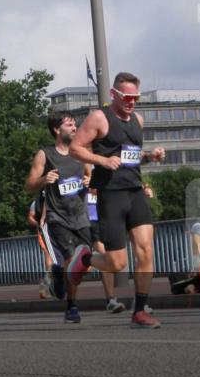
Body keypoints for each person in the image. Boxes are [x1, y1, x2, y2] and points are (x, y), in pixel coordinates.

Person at [68, 72, 166, 329]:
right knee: (117, 263)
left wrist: (150, 157)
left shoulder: (138, 120)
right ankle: (85, 260)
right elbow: (75, 148)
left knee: (145, 250)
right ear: (113, 94)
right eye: (127, 97)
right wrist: (102, 160)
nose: (132, 102)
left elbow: (131, 157)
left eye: (135, 97)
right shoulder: (99, 118)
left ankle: (140, 311)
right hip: (110, 195)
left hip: (134, 191)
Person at [25, 111, 92, 323]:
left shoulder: (82, 152)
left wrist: (91, 182)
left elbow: (92, 176)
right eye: (70, 125)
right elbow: (29, 185)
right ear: (57, 129)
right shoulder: (45, 154)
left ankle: (59, 276)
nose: (75, 128)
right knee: (72, 258)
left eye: (75, 125)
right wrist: (44, 179)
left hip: (81, 215)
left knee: (83, 261)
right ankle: (72, 306)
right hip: (57, 216)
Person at [86, 189, 126, 313]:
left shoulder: (107, 171)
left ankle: (111, 299)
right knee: (74, 261)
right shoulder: (79, 170)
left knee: (106, 256)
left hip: (102, 217)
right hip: (81, 219)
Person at [28, 194, 52, 299]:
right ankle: (47, 284)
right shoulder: (38, 202)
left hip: (51, 229)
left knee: (51, 256)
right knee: (49, 255)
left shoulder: (37, 201)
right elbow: (30, 217)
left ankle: (46, 284)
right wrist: (39, 224)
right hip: (47, 230)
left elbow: (30, 217)